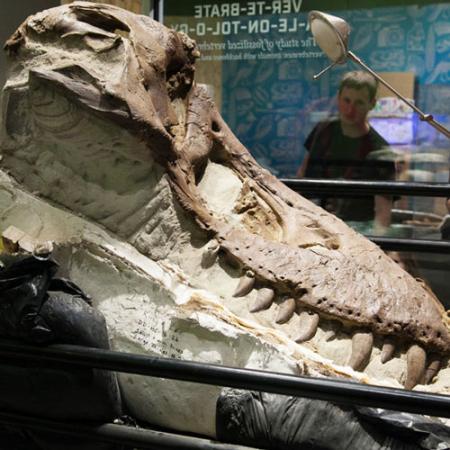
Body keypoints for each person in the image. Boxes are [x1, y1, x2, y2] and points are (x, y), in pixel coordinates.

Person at [296, 71, 396, 235]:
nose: (350, 110)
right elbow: (302, 176)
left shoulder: (380, 150)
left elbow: (382, 213)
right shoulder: (323, 130)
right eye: (346, 100)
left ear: (372, 104)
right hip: (314, 224)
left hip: (357, 233)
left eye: (359, 103)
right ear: (338, 97)